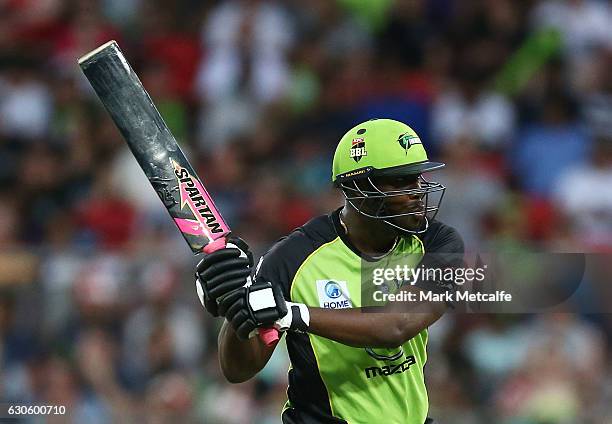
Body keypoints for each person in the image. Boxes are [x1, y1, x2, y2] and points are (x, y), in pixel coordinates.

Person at [195, 118, 464, 423]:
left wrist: (291, 314)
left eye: (417, 178)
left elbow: (396, 327)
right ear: (356, 188)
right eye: (400, 181)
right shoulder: (291, 259)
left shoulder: (439, 243)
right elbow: (238, 369)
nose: (418, 192)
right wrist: (236, 307)